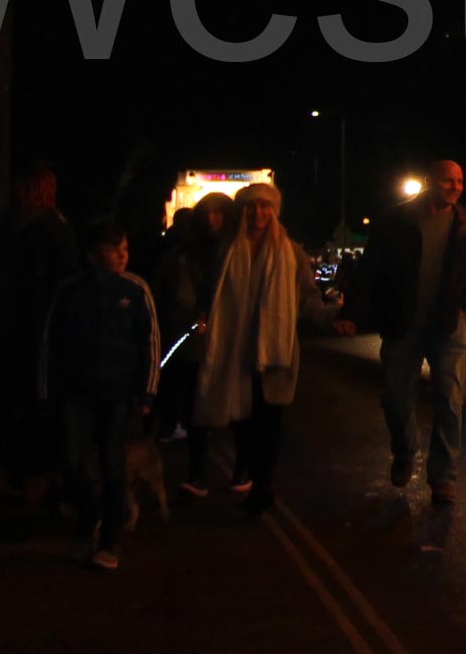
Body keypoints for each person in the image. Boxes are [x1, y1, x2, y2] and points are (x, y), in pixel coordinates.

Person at [361, 159, 466, 503]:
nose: (455, 187)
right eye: (448, 181)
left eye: (460, 182)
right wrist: (355, 311)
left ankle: (443, 477)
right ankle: (404, 451)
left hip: (448, 326)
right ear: (429, 182)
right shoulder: (397, 220)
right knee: (396, 399)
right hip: (402, 324)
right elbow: (371, 267)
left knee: (450, 400)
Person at [193, 180, 322, 516]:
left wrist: (333, 318)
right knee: (241, 420)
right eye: (251, 207)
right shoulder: (226, 249)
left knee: (269, 420)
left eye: (265, 206)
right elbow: (209, 291)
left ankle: (263, 485)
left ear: (274, 211)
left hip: (272, 351)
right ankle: (251, 474)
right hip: (234, 347)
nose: (258, 213)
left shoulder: (290, 252)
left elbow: (308, 296)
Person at [41, 220, 161, 568]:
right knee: (71, 460)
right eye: (113, 249)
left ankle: (110, 539)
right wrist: (46, 390)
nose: (122, 256)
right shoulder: (70, 291)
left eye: (125, 249)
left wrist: (147, 391)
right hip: (75, 390)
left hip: (117, 392)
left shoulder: (135, 289)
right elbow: (51, 341)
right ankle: (87, 516)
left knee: (113, 465)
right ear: (94, 254)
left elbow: (150, 342)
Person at [0, 156, 82, 508]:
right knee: (40, 406)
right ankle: (38, 476)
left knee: (3, 403)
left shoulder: (7, 229)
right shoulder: (54, 230)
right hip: (40, 333)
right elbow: (67, 283)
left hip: (5, 332)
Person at [152, 191, 236, 495]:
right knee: (196, 408)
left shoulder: (234, 251)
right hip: (193, 342)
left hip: (226, 341)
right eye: (209, 213)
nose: (214, 219)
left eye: (220, 213)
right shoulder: (184, 255)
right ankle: (198, 474)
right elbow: (172, 295)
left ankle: (240, 472)